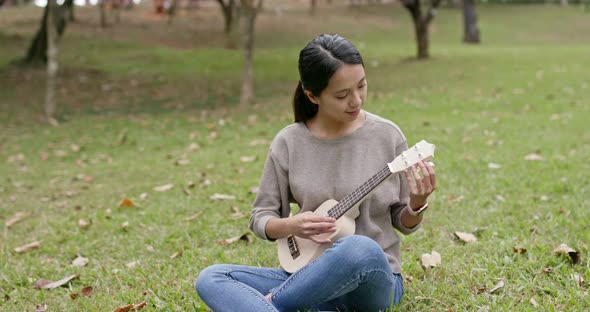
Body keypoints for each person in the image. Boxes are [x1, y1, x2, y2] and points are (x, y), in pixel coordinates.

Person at [195, 34, 437, 312]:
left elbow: (404, 223)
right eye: (342, 95)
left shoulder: (387, 136)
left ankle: (273, 303)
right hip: (307, 277)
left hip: (371, 280)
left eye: (362, 86)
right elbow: (261, 217)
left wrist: (418, 203)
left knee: (359, 248)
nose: (356, 101)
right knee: (211, 277)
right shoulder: (288, 143)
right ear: (312, 95)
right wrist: (292, 226)